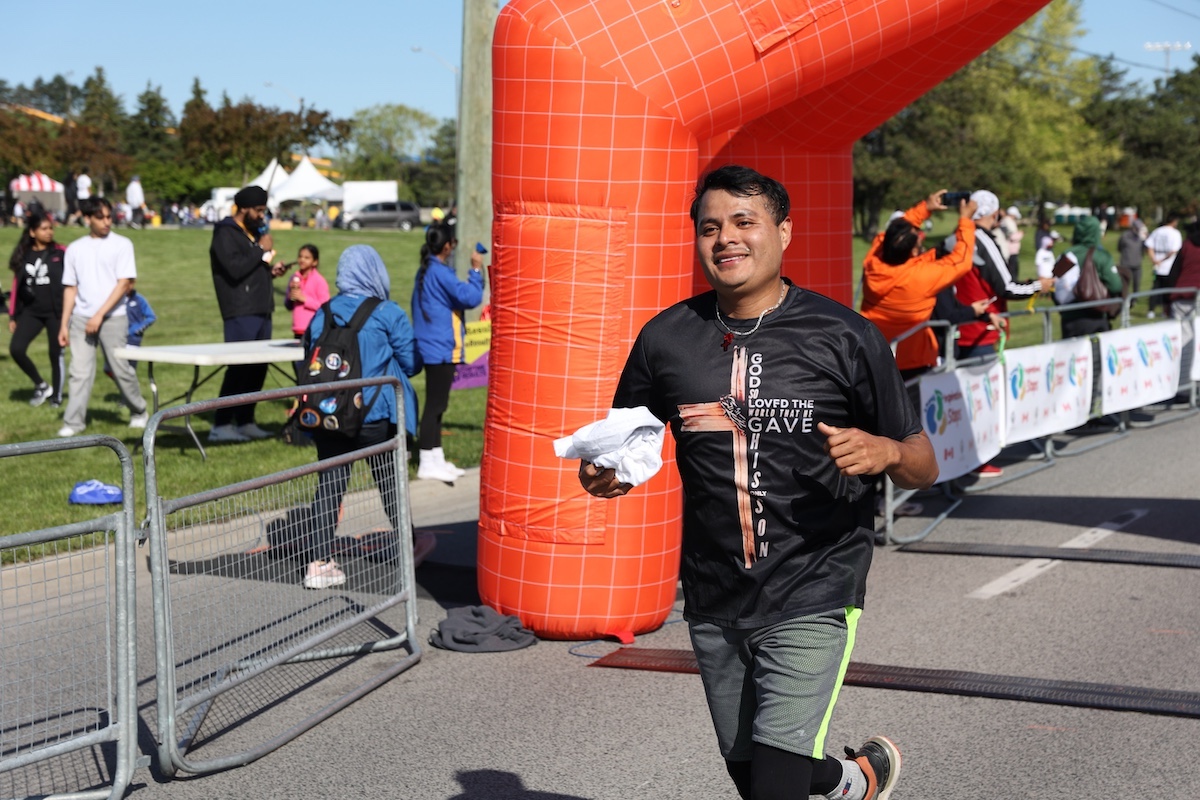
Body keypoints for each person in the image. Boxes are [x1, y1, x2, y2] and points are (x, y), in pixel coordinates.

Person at [580, 165, 936, 800]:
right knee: (756, 775)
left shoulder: (846, 336)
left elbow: (923, 461)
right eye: (710, 227)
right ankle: (852, 781)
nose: (726, 238)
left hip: (815, 583)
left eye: (744, 222)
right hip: (715, 593)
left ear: (784, 232)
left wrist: (884, 451)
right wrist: (605, 474)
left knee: (775, 785)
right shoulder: (664, 339)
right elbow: (625, 446)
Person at [301, 245, 425, 589]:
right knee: (390, 483)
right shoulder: (387, 313)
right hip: (376, 414)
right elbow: (412, 363)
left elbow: (307, 357)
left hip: (329, 415)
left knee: (329, 485)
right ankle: (407, 548)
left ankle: (318, 563)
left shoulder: (322, 313)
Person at [859, 190, 978, 380]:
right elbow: (962, 260)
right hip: (912, 364)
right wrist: (965, 220)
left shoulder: (873, 263)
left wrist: (925, 208)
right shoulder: (921, 277)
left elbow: (888, 235)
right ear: (914, 252)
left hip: (873, 355)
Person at [56, 197, 149, 436]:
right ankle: (73, 422)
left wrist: (99, 315)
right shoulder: (75, 249)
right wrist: (64, 324)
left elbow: (124, 284)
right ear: (87, 219)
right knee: (79, 372)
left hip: (113, 318)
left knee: (120, 369)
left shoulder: (122, 244)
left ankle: (139, 411)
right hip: (80, 319)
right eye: (101, 217)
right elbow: (70, 288)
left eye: (109, 217)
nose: (107, 222)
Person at [208, 185, 286, 442]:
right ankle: (221, 424)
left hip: (262, 307)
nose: (262, 215)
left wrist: (269, 271)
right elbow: (234, 269)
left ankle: (245, 420)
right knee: (239, 368)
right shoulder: (225, 233)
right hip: (240, 310)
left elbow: (250, 268)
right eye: (259, 210)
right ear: (243, 209)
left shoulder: (251, 233)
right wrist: (259, 249)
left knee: (258, 368)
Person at [411, 222, 484, 482]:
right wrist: (476, 270)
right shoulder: (440, 272)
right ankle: (426, 461)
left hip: (434, 346)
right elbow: (470, 297)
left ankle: (436, 457)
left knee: (438, 405)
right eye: (453, 243)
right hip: (440, 348)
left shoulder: (428, 270)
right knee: (435, 405)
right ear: (446, 246)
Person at [8, 209, 66, 407]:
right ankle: (41, 385)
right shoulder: (23, 255)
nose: (49, 232)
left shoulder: (61, 252)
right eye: (43, 229)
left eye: (50, 228)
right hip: (31, 312)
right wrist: (13, 315)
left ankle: (56, 397)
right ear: (32, 232)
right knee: (16, 349)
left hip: (56, 312)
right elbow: (16, 286)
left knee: (55, 354)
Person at [1053, 216, 1122, 340]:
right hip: (1095, 316)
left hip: (1069, 318)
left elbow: (1053, 285)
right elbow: (1116, 285)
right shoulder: (1101, 256)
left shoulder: (1067, 255)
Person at [1145, 214, 1182, 318]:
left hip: (1158, 263)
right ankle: (1165, 310)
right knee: (1168, 289)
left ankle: (1151, 310)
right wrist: (1162, 259)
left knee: (1156, 287)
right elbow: (1174, 250)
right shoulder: (1175, 233)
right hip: (1169, 264)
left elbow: (1149, 247)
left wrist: (1154, 260)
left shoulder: (1157, 231)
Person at [1116, 221, 1146, 311]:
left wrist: (1145, 239)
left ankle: (1134, 301)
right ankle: (1124, 301)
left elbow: (1144, 249)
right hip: (1126, 264)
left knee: (1137, 284)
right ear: (1133, 228)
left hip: (1137, 265)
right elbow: (1119, 247)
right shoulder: (1124, 236)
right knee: (1125, 285)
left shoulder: (1141, 238)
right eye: (1137, 228)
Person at [1001, 205, 1023, 279]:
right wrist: (1020, 234)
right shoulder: (1008, 221)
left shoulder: (1007, 221)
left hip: (1011, 250)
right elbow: (1012, 236)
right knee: (1012, 271)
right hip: (1010, 250)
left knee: (1013, 269)